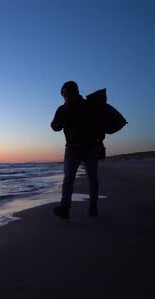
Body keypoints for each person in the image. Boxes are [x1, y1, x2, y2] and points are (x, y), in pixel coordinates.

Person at [51, 81, 104, 219]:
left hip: (80, 147)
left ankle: (71, 208)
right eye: (62, 94)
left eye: (64, 93)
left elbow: (55, 127)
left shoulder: (70, 108)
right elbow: (56, 127)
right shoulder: (85, 106)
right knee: (88, 178)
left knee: (72, 178)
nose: (63, 96)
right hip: (84, 147)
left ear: (70, 92)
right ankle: (85, 208)